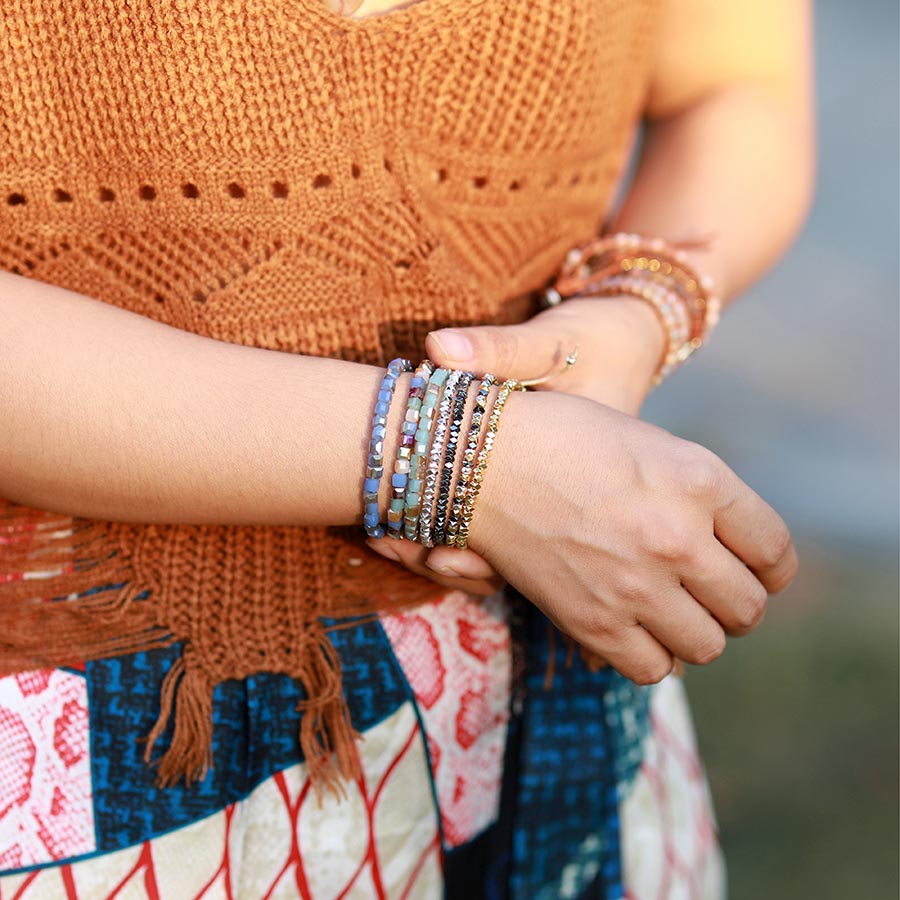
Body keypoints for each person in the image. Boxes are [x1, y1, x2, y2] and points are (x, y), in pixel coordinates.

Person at [0, 0, 811, 897]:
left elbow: (735, 85)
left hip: (542, 649)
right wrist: (464, 461)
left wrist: (633, 312)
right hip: (79, 751)